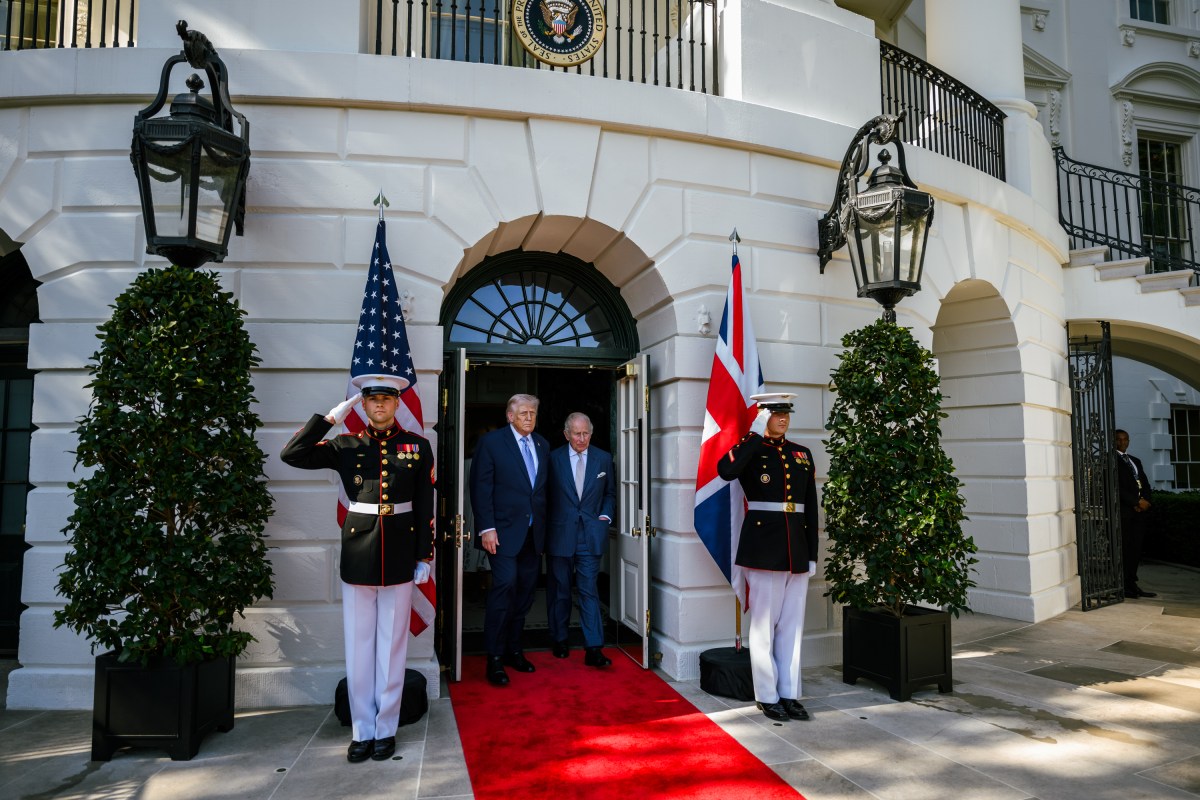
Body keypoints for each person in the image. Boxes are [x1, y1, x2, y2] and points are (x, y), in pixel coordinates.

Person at [280, 374, 434, 763]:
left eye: (386, 400)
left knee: (392, 648)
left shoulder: (417, 446)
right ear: (362, 405)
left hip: (400, 553)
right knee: (359, 647)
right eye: (372, 401)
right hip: (359, 553)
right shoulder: (345, 445)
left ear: (398, 404)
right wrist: (332, 417)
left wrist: (424, 557)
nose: (379, 406)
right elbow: (292, 454)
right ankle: (362, 731)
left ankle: (386, 729)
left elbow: (425, 503)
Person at [717, 393, 818, 722]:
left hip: (796, 551)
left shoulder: (801, 454)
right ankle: (768, 695)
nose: (784, 419)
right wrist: (754, 434)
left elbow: (811, 509)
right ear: (763, 417)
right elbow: (726, 471)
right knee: (764, 628)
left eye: (787, 413)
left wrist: (812, 553)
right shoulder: (752, 449)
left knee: (791, 627)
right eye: (776, 413)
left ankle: (789, 693)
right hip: (762, 549)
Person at [469, 393, 550, 686]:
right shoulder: (492, 444)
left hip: (533, 534)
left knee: (526, 593)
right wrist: (486, 528)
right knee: (505, 587)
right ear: (510, 416)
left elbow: (541, 494)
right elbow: (480, 488)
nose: (529, 418)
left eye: (532, 413)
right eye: (523, 413)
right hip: (501, 534)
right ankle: (494, 658)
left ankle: (515, 649)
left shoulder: (542, 444)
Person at [546, 412, 617, 667]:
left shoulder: (603, 458)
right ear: (566, 434)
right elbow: (544, 496)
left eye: (586, 433)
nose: (582, 438)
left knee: (589, 591)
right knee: (560, 591)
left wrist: (605, 517)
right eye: (576, 433)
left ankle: (594, 647)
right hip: (559, 534)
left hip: (590, 535)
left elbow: (610, 493)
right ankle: (560, 639)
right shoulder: (552, 458)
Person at [1114, 429, 1156, 599]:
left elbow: (1145, 483)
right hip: (1124, 513)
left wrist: (1146, 501)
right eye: (1118, 439)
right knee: (1125, 549)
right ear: (1113, 441)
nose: (1122, 442)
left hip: (1139, 513)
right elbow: (1116, 486)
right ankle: (1124, 585)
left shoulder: (1135, 461)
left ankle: (1132, 583)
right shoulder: (1110, 460)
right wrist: (1135, 502)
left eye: (1125, 439)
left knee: (1136, 550)